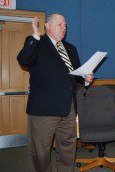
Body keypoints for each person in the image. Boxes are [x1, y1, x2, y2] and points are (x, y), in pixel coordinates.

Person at [17, 14, 94, 172]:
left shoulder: (71, 49)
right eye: (60, 24)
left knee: (67, 148)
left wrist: (85, 78)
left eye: (65, 25)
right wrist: (35, 38)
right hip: (44, 109)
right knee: (40, 151)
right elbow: (24, 60)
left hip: (68, 107)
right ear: (47, 26)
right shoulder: (37, 43)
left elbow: (76, 76)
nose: (64, 28)